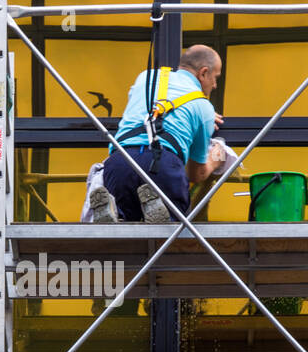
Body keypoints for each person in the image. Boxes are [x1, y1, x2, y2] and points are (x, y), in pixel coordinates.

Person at [88, 45, 225, 223]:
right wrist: (215, 160)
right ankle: (160, 214)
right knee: (171, 234)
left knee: (128, 228)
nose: (214, 85)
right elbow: (196, 174)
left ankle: (116, 216)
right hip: (162, 166)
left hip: (119, 163)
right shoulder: (204, 107)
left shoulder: (145, 77)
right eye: (215, 78)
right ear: (204, 73)